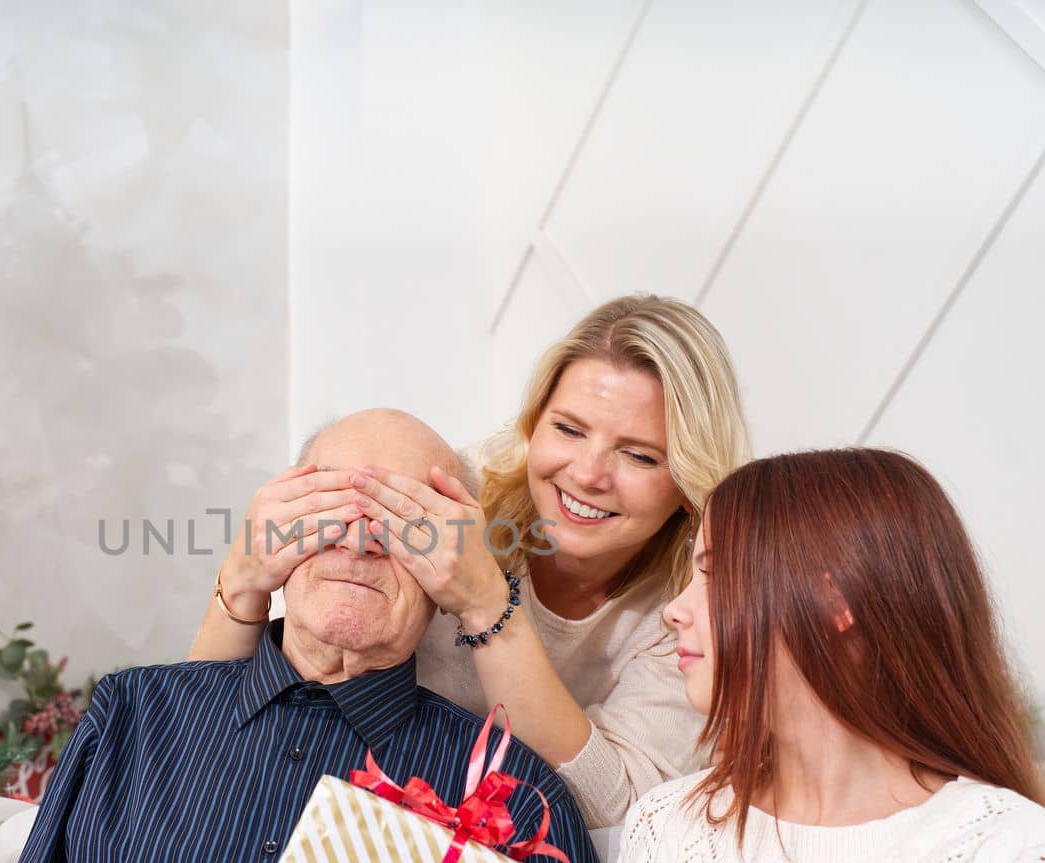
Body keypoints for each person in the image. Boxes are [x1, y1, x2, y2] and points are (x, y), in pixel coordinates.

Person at [297, 448, 1045, 863]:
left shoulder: (1002, 861)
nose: (678, 614)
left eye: (715, 576)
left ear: (834, 603)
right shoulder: (671, 829)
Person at [0, 409, 601, 863]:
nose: (359, 540)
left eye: (405, 521)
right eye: (330, 505)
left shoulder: (515, 799)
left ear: (453, 564)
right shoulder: (133, 713)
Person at [191, 294, 752, 827]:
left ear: (685, 480)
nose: (587, 474)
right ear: (533, 424)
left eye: (638, 455)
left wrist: (486, 604)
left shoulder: (696, 607)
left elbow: (622, 812)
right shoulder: (446, 495)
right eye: (568, 429)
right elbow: (198, 731)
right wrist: (242, 581)